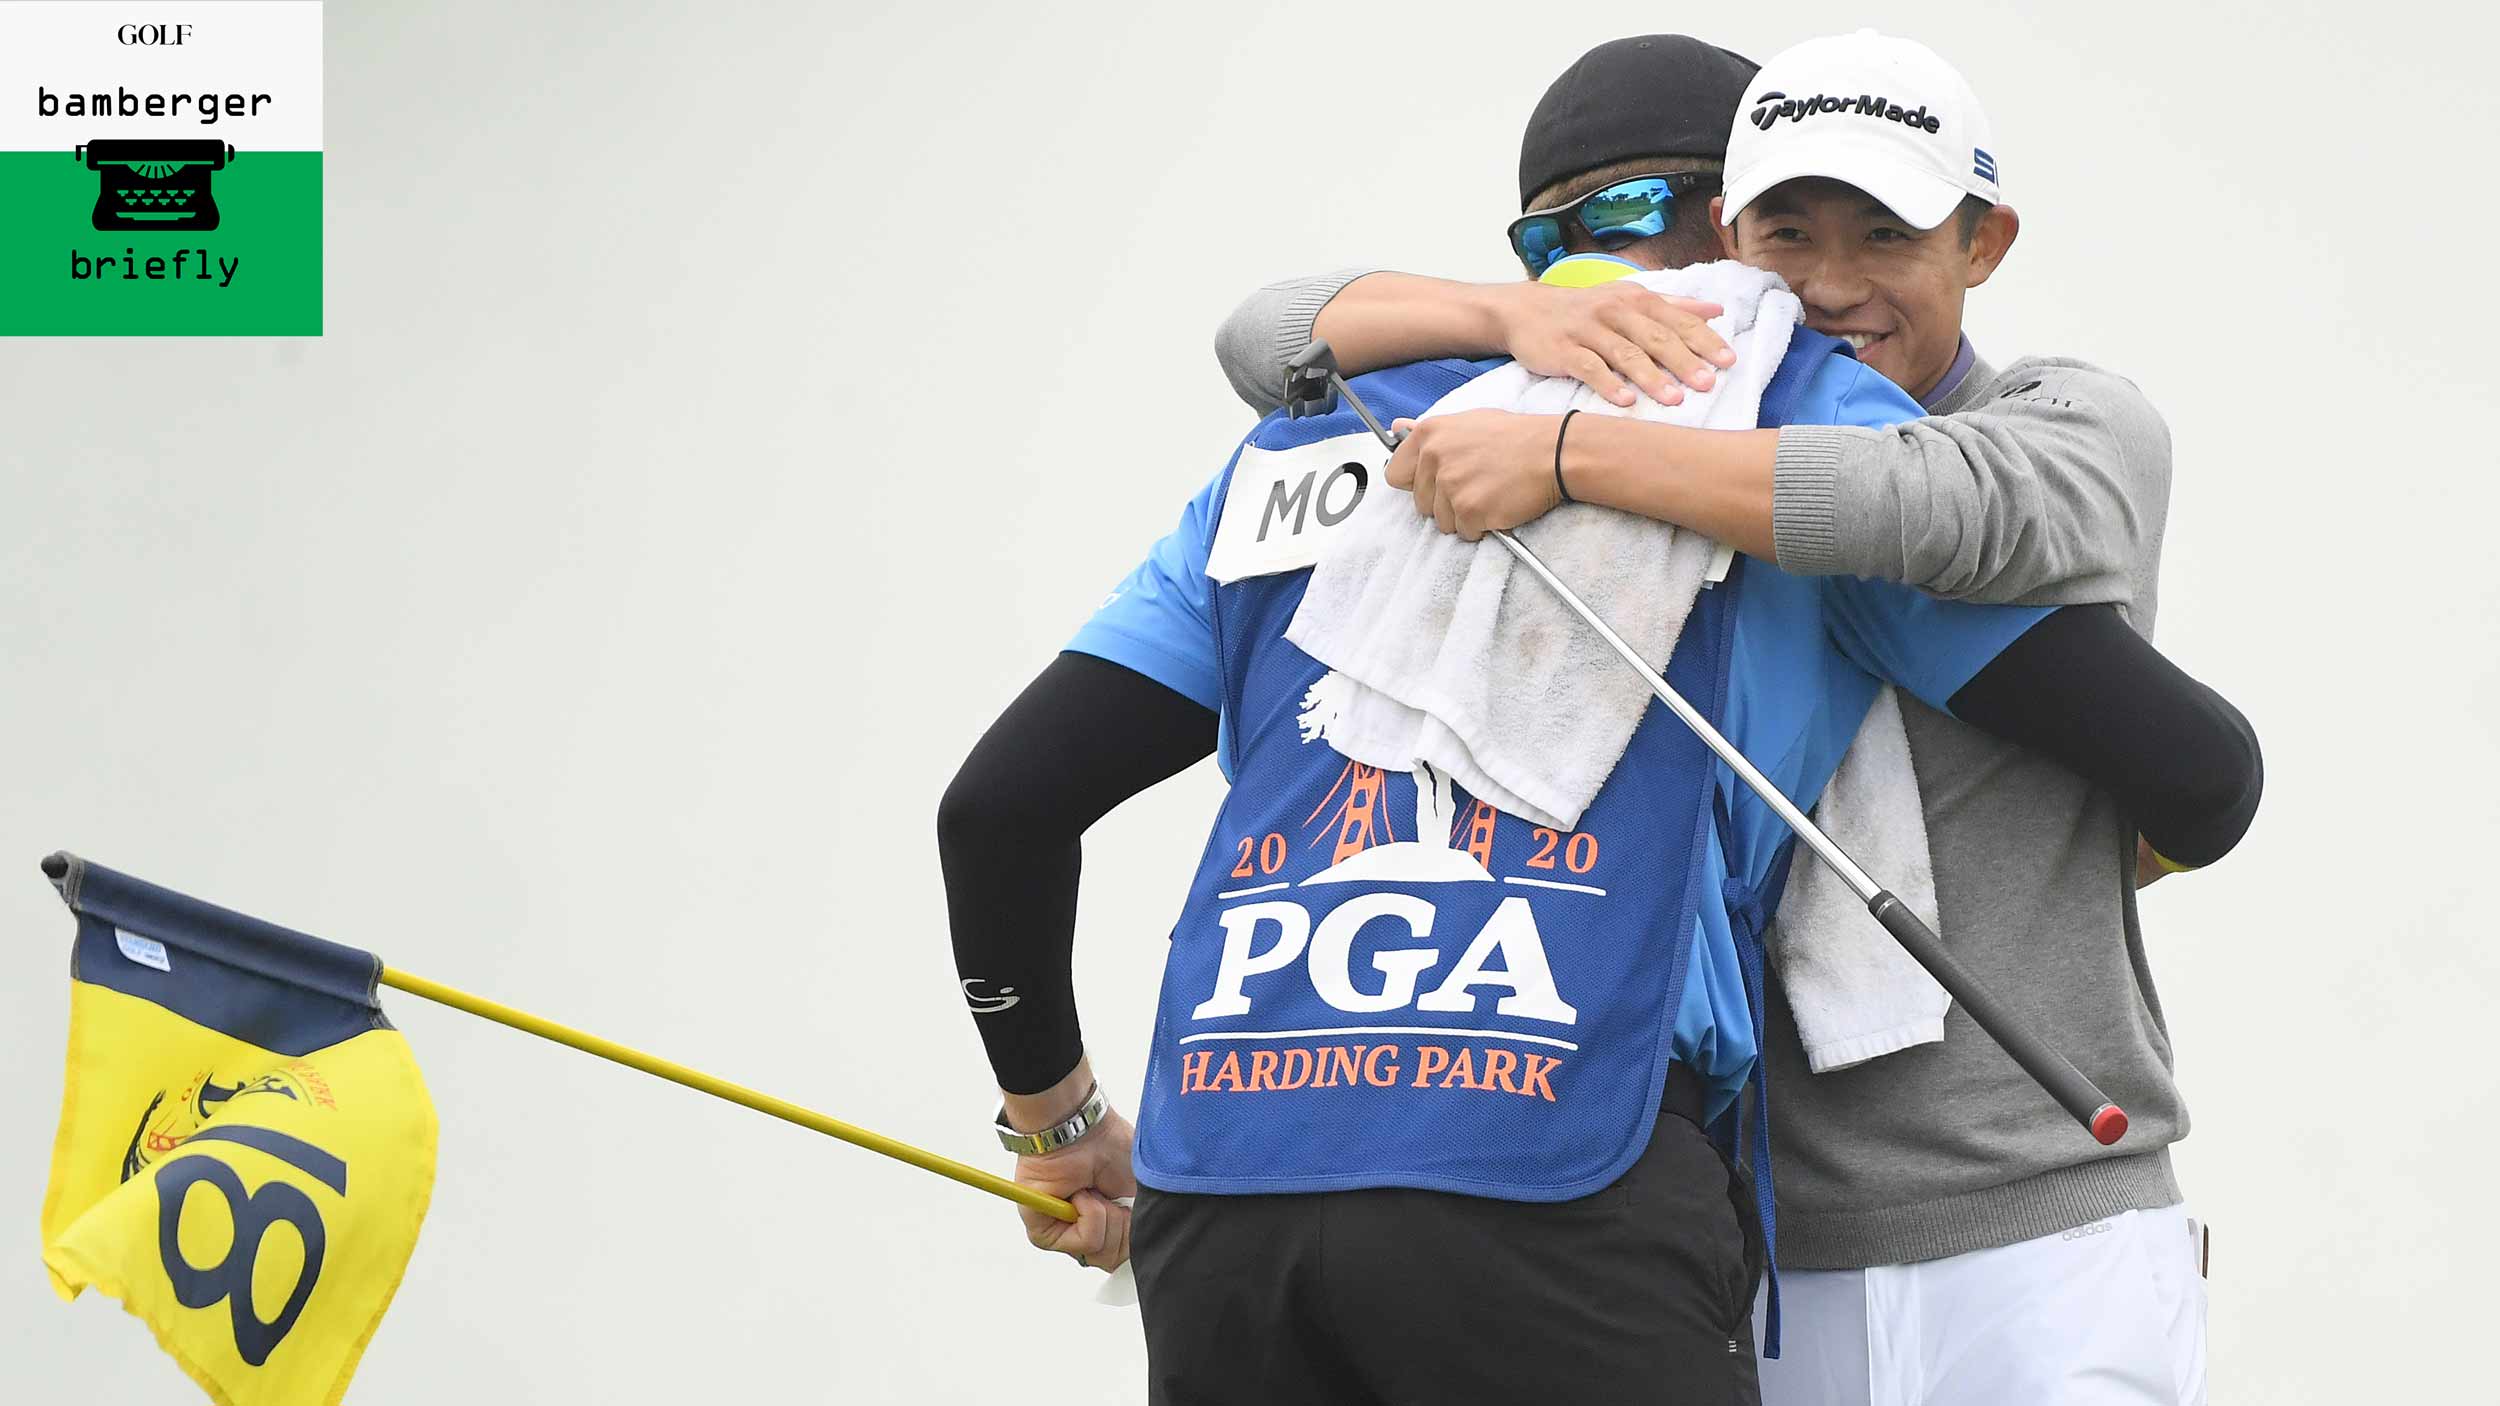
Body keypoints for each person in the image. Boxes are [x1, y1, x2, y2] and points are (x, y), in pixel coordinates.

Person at [938, 165, 2258, 1406]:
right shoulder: (1799, 428)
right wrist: (2124, 838)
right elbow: (2197, 765)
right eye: (1783, 238)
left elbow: (999, 810)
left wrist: (1057, 1125)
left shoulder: (1302, 445)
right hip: (1567, 1172)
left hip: (1224, 1168)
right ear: (1731, 239)